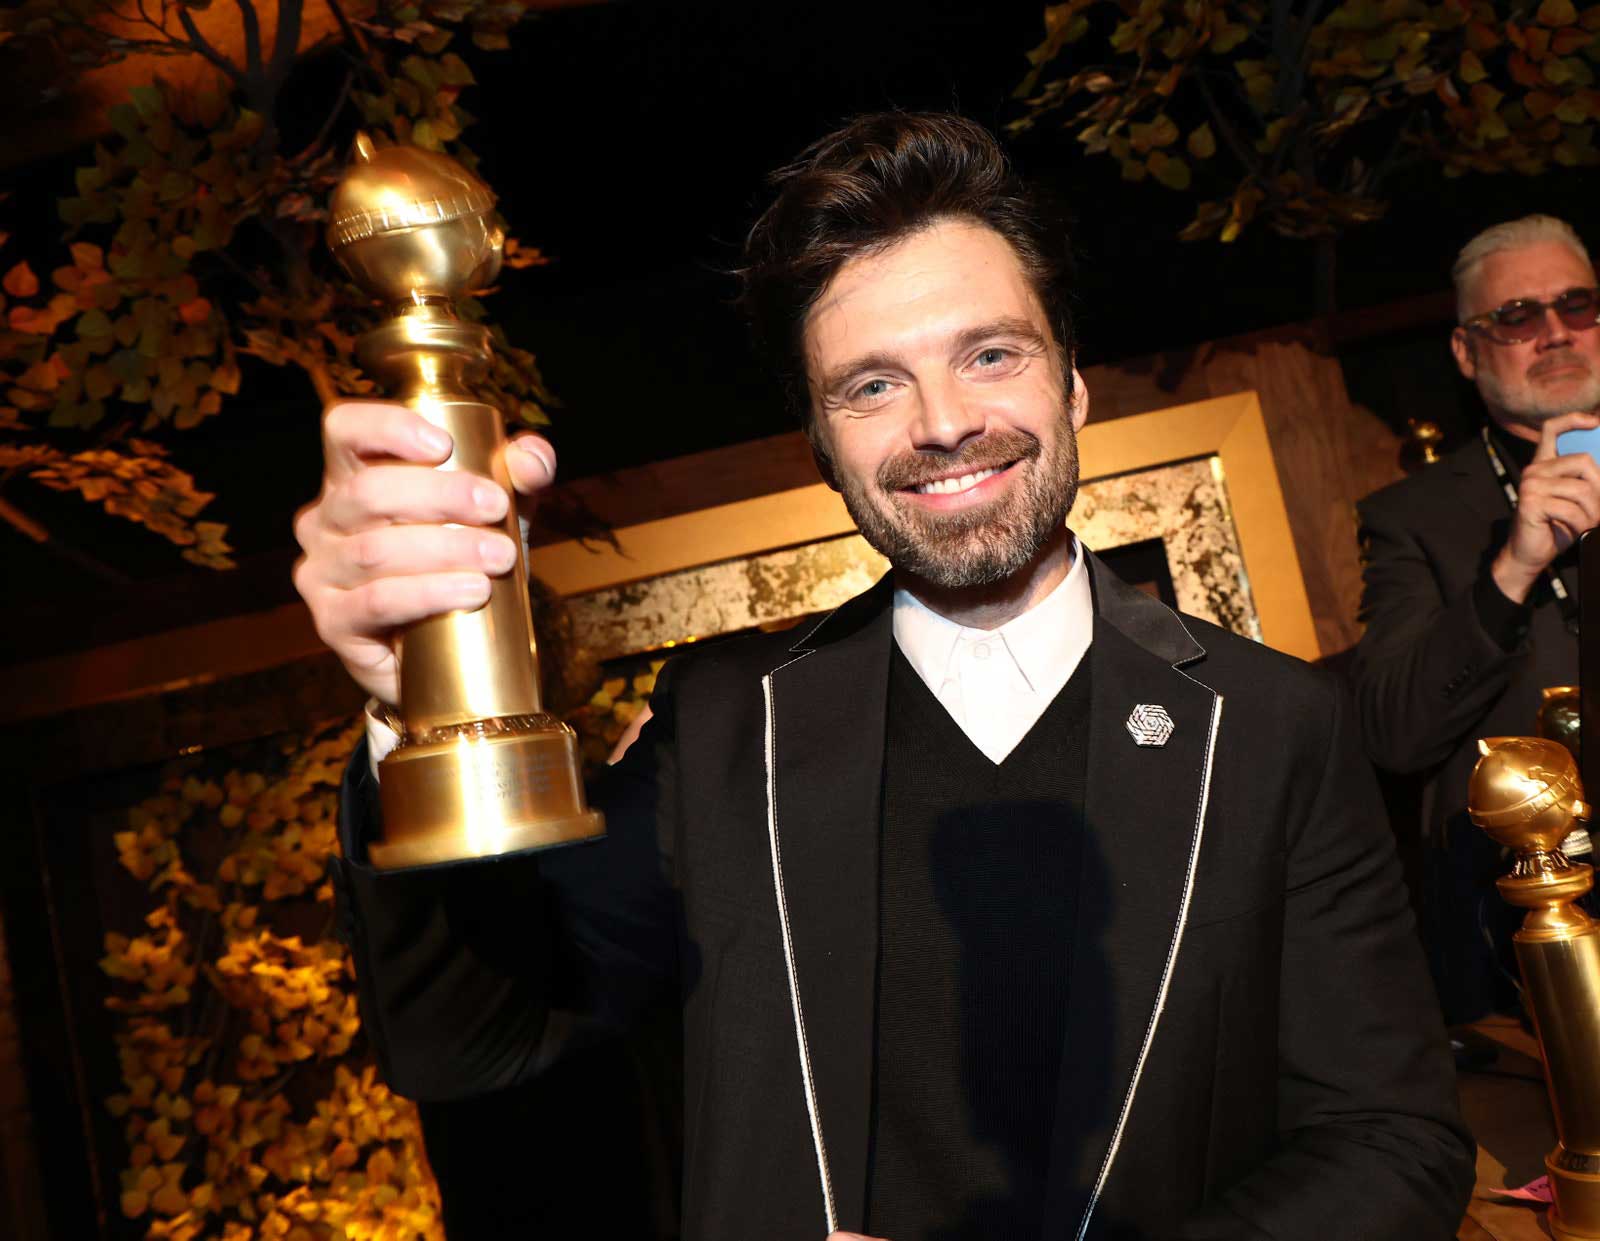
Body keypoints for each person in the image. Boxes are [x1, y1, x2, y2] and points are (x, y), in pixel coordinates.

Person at [295, 112, 1473, 1240]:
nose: (944, 421)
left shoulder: (1272, 724)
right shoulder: (721, 730)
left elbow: (1390, 1141)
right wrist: (416, 697)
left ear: (1070, 384)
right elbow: (471, 1042)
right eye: (871, 384)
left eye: (991, 354)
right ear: (822, 447)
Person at [1354, 215, 1600, 1025]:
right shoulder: (1415, 516)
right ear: (1466, 351)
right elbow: (1394, 731)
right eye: (1518, 316)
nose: (1555, 332)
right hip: (1525, 933)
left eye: (1578, 305)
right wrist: (1513, 571)